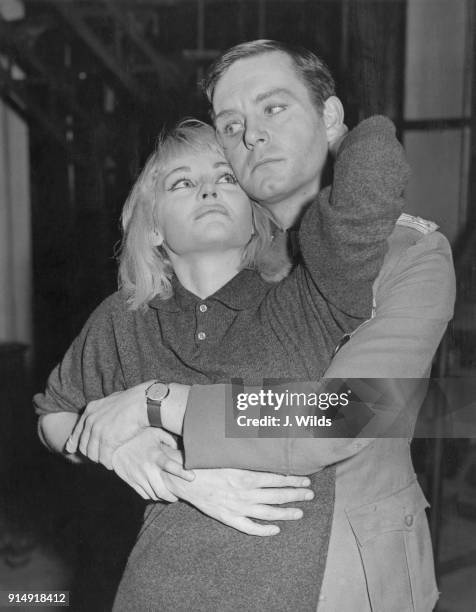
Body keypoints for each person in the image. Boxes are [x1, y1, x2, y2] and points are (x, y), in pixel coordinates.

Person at [35, 102, 408, 612]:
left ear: (256, 219)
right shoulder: (127, 317)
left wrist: (326, 132)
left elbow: (354, 412)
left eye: (227, 178)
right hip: (154, 590)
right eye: (181, 183)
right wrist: (128, 451)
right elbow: (53, 417)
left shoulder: (303, 300)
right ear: (155, 229)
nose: (207, 188)